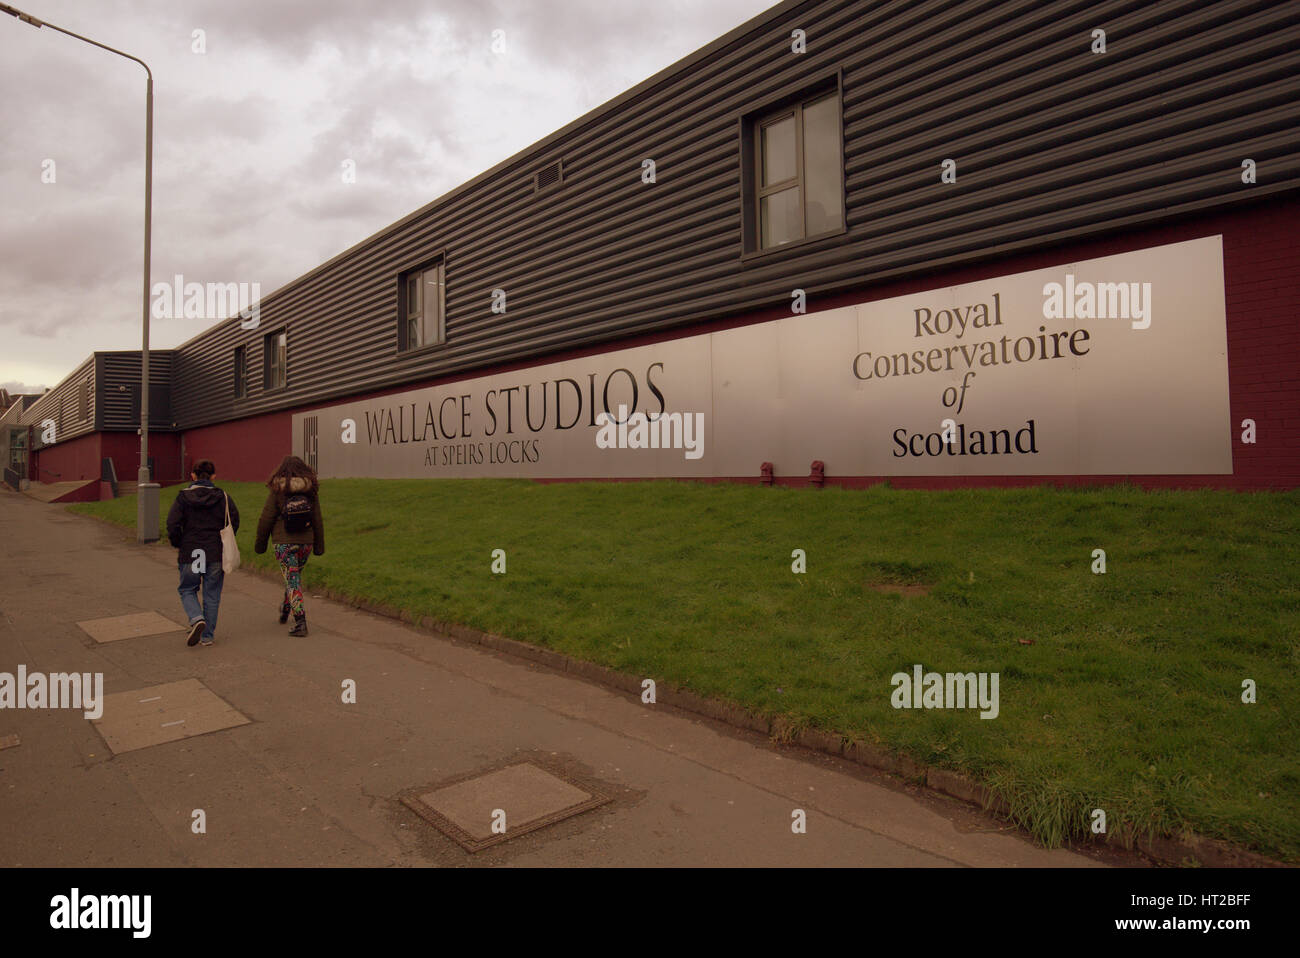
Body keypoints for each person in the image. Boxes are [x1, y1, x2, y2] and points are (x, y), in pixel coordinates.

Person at [166, 458, 238, 648]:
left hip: (191, 551)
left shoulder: (183, 497)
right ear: (213, 476)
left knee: (188, 589)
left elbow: (172, 524)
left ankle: (196, 617)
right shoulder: (222, 496)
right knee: (211, 593)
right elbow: (234, 520)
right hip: (214, 552)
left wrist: (179, 543)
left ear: (193, 476)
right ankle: (207, 636)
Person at [255, 455, 325, 636]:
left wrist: (260, 544)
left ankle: (301, 622)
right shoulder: (311, 490)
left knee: (292, 579)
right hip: (305, 543)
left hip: (283, 543)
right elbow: (317, 519)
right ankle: (286, 609)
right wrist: (319, 545)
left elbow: (266, 518)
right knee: (293, 577)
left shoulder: (277, 490)